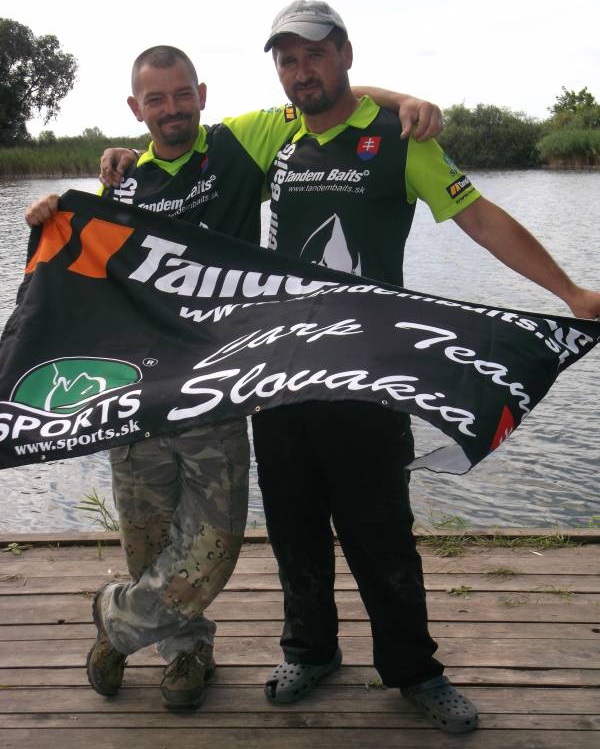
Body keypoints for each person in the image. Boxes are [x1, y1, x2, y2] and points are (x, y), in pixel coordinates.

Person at [25, 45, 442, 711]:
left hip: (217, 393)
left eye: (181, 94)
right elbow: (84, 269)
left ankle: (116, 620)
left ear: (202, 94)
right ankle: (187, 651)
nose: (171, 109)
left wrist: (404, 101)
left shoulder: (240, 148)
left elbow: (326, 94)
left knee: (214, 548)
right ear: (136, 108)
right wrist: (54, 213)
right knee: (149, 543)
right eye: (156, 99)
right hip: (135, 398)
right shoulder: (120, 184)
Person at [250, 0, 600, 734]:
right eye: (287, 59)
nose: (301, 71)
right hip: (283, 378)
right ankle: (310, 651)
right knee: (293, 529)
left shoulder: (400, 140)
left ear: (345, 53)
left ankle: (414, 670)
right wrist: (117, 166)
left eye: (314, 54)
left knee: (381, 532)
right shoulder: (271, 133)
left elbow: (480, 219)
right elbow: (182, 151)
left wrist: (570, 293)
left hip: (374, 378)